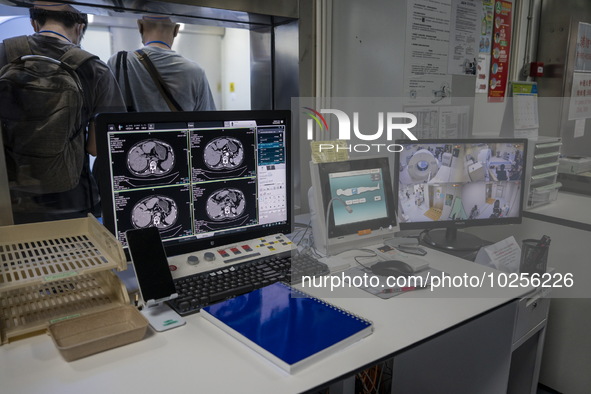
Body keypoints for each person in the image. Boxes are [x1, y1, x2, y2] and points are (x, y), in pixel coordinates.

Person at [0, 2, 126, 224]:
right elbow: (97, 148)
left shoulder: (3, 53)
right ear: (79, 27)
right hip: (72, 199)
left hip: (11, 199)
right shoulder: (96, 69)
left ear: (34, 23)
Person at [107, 15, 216, 112]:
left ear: (140, 26)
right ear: (176, 30)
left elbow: (105, 116)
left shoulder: (118, 62)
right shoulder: (196, 73)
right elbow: (207, 123)